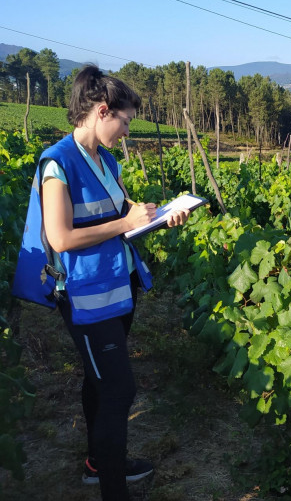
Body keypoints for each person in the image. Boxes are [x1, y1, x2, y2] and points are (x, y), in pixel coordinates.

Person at [12, 65, 191, 501]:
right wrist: (125, 222)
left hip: (115, 286)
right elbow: (61, 237)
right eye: (125, 121)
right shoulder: (59, 163)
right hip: (84, 296)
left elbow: (118, 216)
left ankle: (98, 462)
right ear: (102, 111)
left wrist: (156, 218)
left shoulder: (104, 159)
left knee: (99, 381)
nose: (127, 131)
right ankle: (113, 489)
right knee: (118, 388)